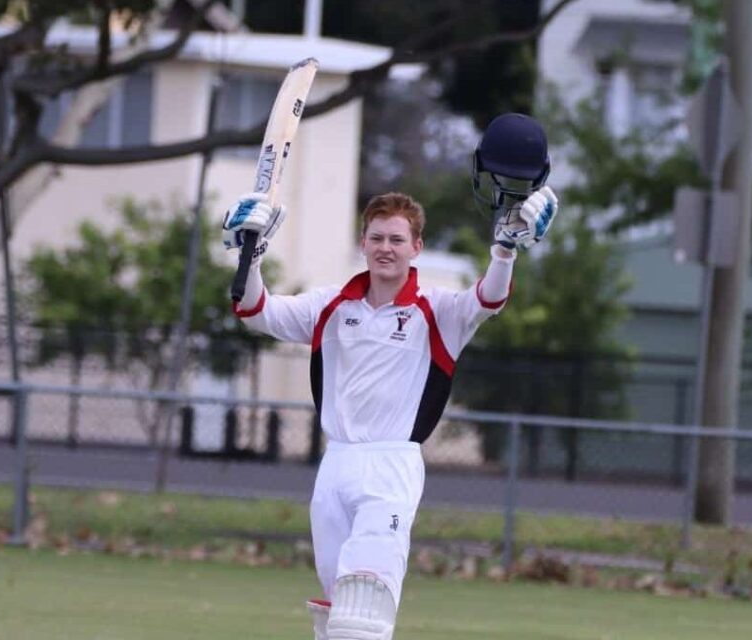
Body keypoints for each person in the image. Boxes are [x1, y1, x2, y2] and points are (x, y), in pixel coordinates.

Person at [222, 113, 558, 640]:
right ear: (364, 243)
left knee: (365, 606)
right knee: (335, 614)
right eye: (377, 237)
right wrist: (251, 251)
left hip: (391, 467)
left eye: (397, 240)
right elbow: (255, 310)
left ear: (416, 247)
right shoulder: (330, 306)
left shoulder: (438, 311)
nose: (386, 247)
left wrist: (505, 250)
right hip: (335, 466)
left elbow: (489, 298)